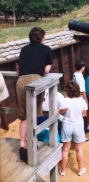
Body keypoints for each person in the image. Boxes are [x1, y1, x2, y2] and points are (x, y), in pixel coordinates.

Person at [16, 27, 53, 162]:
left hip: (21, 82)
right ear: (42, 38)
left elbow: (19, 68)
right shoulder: (46, 49)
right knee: (35, 114)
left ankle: (22, 144)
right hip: (36, 81)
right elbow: (47, 70)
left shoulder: (24, 49)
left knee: (24, 116)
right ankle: (32, 142)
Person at [58, 81, 87, 177]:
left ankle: (63, 170)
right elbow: (84, 114)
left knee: (65, 149)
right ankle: (80, 169)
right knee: (78, 149)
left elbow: (60, 112)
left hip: (67, 125)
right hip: (78, 125)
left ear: (67, 91)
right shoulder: (82, 101)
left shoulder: (65, 101)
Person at [72, 61, 89, 136]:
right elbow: (82, 91)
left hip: (74, 96)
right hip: (79, 98)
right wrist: (86, 100)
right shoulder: (80, 77)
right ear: (82, 67)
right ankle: (83, 132)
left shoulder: (75, 74)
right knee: (83, 116)